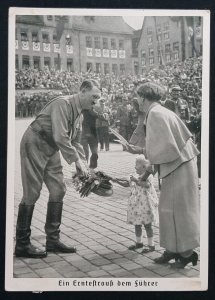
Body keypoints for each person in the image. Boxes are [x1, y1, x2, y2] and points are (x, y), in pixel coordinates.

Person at [15, 79, 101, 258]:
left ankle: (52, 241)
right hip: (36, 141)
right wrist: (76, 162)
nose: (96, 101)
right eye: (94, 96)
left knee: (59, 189)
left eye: (98, 98)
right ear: (82, 90)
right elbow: (61, 136)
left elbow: (75, 142)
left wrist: (84, 166)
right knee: (32, 192)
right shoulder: (63, 103)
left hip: (51, 147)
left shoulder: (81, 113)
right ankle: (22, 244)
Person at [125, 82, 200, 268]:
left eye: (138, 97)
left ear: (143, 97)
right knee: (169, 210)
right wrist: (141, 150)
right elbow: (165, 146)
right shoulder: (159, 111)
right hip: (178, 163)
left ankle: (187, 254)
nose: (137, 101)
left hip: (178, 165)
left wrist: (140, 155)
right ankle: (173, 250)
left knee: (180, 211)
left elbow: (165, 149)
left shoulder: (156, 114)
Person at [112, 155, 158, 253]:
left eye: (137, 165)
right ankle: (139, 242)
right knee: (137, 224)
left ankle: (151, 245)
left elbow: (146, 185)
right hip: (136, 205)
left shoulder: (149, 176)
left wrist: (136, 181)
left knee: (147, 225)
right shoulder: (135, 175)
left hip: (146, 205)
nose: (135, 167)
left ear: (144, 167)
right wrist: (117, 181)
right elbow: (126, 184)